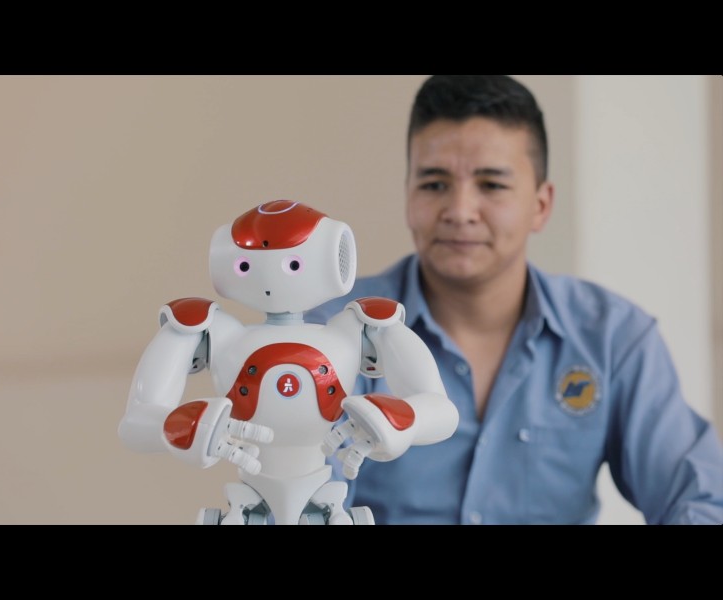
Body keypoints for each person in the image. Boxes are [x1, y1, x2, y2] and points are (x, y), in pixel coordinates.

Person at [305, 75, 723, 525]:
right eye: (434, 184)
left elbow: (702, 501)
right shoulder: (333, 333)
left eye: (491, 184)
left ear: (541, 205)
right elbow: (305, 502)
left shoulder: (614, 338)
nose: (460, 211)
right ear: (408, 194)